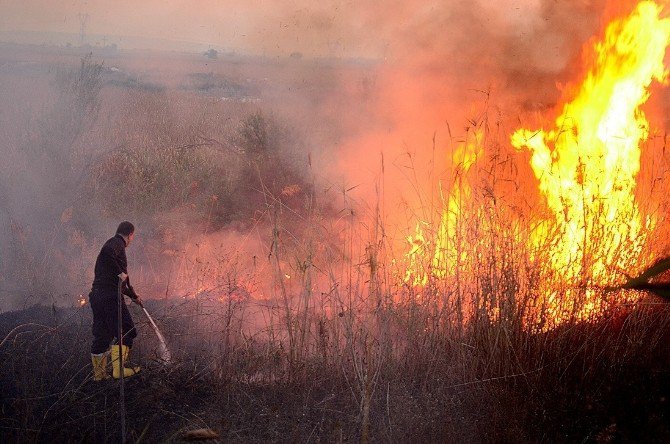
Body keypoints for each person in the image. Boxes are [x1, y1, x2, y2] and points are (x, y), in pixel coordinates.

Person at [89, 221, 143, 381]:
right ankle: (119, 370)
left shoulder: (113, 246)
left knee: (102, 335)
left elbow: (121, 282)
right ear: (130, 234)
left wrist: (134, 296)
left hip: (97, 295)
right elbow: (107, 253)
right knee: (127, 331)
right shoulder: (116, 243)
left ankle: (99, 376)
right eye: (133, 237)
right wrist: (121, 272)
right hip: (109, 297)